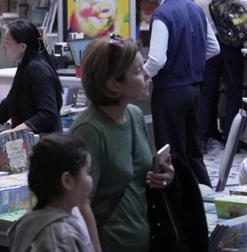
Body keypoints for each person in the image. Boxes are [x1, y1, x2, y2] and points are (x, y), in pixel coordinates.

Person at [69, 36, 174, 252]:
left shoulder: (134, 115)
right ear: (113, 84)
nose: (146, 74)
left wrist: (164, 176)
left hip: (144, 239)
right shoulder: (89, 130)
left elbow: (138, 173)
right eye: (137, 71)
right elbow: (80, 203)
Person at [143, 0, 219, 187]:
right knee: (193, 153)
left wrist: (142, 76)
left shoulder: (162, 14)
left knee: (171, 155)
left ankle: (178, 207)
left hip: (169, 93)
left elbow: (157, 59)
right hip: (194, 90)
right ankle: (207, 198)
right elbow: (214, 48)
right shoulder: (194, 7)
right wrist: (191, 61)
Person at [194, 0, 247, 151]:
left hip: (209, 46)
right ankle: (232, 138)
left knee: (207, 91)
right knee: (233, 90)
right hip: (230, 45)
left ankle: (203, 137)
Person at [0, 20, 63, 134]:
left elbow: (48, 113)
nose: (3, 46)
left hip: (46, 143)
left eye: (7, 42)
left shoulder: (37, 69)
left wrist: (15, 131)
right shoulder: (24, 65)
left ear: (22, 46)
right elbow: (10, 103)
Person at [8, 133, 94, 252]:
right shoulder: (58, 237)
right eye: (88, 172)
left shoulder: (31, 221)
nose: (91, 180)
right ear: (67, 180)